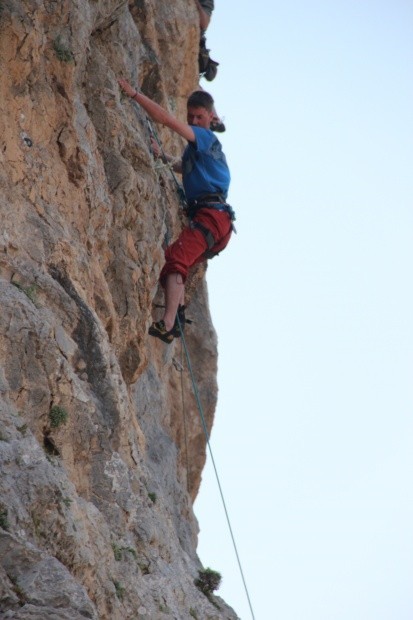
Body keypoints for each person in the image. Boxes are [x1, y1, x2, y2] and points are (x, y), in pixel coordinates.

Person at [118, 78, 234, 344]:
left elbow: (167, 121)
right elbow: (188, 167)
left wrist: (135, 95)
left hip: (212, 216)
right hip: (215, 220)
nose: (194, 121)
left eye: (199, 117)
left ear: (211, 117)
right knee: (177, 260)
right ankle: (177, 314)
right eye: (190, 116)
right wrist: (166, 159)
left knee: (176, 260)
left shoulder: (205, 137)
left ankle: (169, 323)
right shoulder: (202, 147)